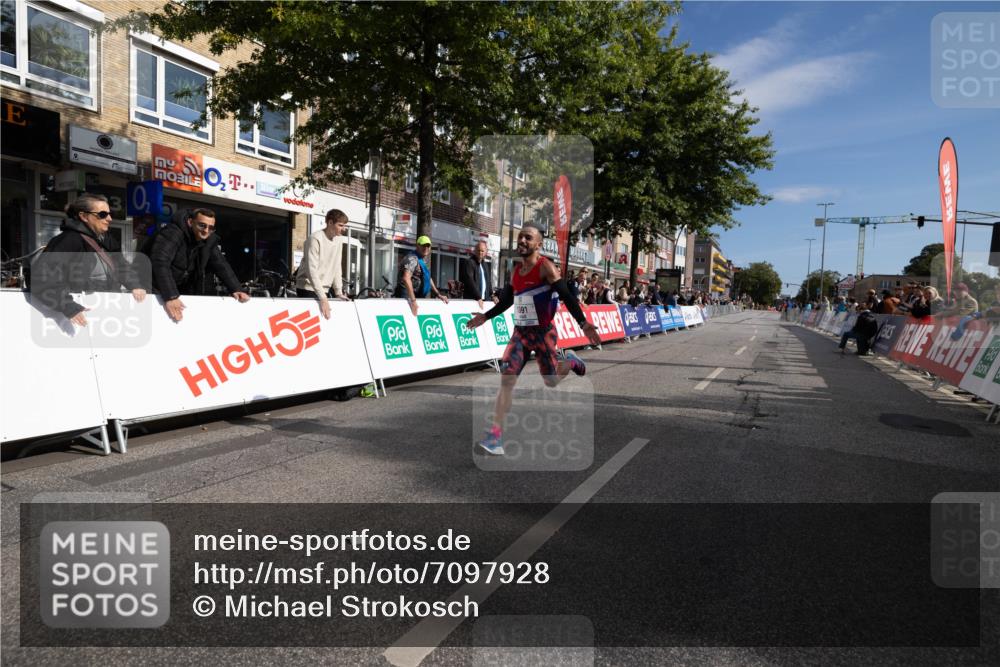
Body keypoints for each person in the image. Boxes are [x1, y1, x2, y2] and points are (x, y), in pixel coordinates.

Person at [467, 224, 601, 456]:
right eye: (520, 237)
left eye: (528, 238)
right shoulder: (516, 271)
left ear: (539, 244)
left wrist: (582, 322)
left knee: (551, 381)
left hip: (543, 333)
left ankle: (569, 361)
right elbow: (507, 301)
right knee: (507, 380)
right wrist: (485, 317)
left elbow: (567, 296)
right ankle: (494, 438)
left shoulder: (545, 268)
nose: (522, 241)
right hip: (520, 332)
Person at [32, 193, 146, 325]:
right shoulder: (68, 240)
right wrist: (68, 306)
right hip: (79, 316)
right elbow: (42, 279)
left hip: (107, 311)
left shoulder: (106, 239)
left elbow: (121, 265)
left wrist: (134, 285)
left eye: (109, 214)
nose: (109, 218)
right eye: (102, 214)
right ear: (84, 216)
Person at [149, 208, 249, 322]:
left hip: (179, 289)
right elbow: (160, 261)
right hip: (154, 288)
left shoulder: (208, 239)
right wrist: (171, 296)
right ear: (190, 222)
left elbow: (220, 264)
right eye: (202, 225)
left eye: (211, 228)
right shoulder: (173, 232)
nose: (206, 231)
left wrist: (236, 288)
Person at [296, 208, 349, 319]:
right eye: (340, 225)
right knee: (312, 322)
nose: (343, 229)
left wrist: (338, 292)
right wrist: (323, 298)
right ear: (330, 223)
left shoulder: (339, 240)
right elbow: (311, 270)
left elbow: (337, 267)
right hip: (307, 288)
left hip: (324, 289)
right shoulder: (315, 239)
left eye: (344, 226)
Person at [393, 235, 449, 316]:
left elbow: (428, 278)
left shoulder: (421, 260)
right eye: (423, 245)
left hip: (416, 297)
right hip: (407, 298)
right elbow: (406, 278)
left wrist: (438, 294)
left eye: (428, 246)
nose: (426, 248)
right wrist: (413, 301)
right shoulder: (412, 258)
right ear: (417, 246)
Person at [460, 240, 494, 309]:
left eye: (482, 251)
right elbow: (470, 282)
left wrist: (492, 295)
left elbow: (488, 282)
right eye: (478, 250)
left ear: (486, 252)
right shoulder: (470, 263)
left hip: (484, 301)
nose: (480, 253)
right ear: (475, 251)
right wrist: (478, 297)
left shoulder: (485, 265)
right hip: (473, 301)